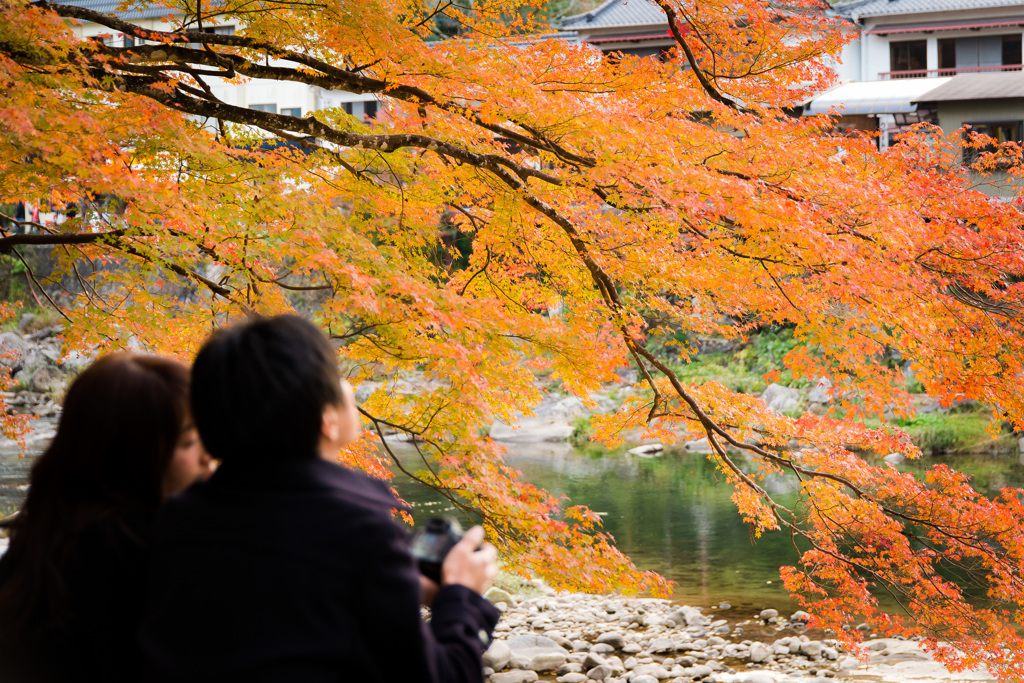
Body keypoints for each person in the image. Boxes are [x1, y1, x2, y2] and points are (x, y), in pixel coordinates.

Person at [140, 314, 500, 683]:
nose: (347, 387)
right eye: (339, 377)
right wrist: (460, 597)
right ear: (327, 418)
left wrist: (396, 584)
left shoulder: (176, 519)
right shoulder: (359, 532)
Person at [0, 353, 216, 683]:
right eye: (189, 441)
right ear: (130, 455)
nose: (209, 456)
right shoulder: (149, 561)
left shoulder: (35, 546)